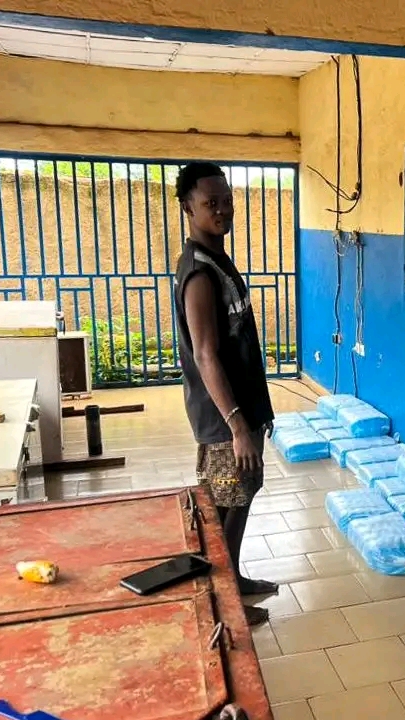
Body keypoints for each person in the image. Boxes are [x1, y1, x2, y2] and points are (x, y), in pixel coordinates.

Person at [173, 162, 277, 625]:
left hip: (241, 408)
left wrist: (256, 412)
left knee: (242, 495)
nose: (222, 210)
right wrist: (237, 425)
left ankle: (232, 578)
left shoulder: (217, 260)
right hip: (222, 416)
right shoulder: (199, 274)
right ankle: (222, 605)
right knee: (226, 505)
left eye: (227, 200)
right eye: (210, 203)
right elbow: (206, 355)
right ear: (188, 207)